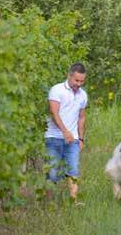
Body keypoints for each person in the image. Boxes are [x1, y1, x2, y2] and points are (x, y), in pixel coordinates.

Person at [44, 62, 87, 200]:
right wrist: (65, 131)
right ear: (69, 76)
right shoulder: (57, 90)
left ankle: (73, 201)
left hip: (73, 139)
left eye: (82, 81)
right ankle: (48, 203)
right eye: (76, 80)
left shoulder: (83, 95)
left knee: (73, 170)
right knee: (52, 173)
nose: (79, 84)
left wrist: (80, 138)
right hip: (53, 137)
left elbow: (81, 117)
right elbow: (53, 112)